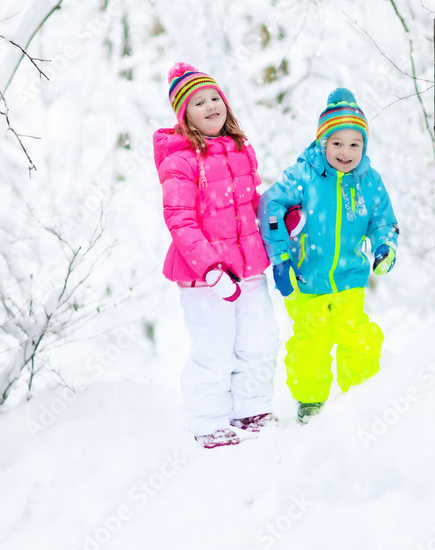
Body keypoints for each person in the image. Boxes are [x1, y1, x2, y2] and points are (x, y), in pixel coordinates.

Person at [153, 63, 279, 449]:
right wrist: (211, 268)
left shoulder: (241, 151)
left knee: (259, 341)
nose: (210, 106)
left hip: (249, 268)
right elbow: (180, 220)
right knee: (214, 348)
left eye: (214, 98)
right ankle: (207, 421)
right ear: (183, 116)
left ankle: (252, 409)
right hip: (205, 276)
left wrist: (281, 215)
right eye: (197, 102)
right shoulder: (181, 161)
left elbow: (251, 203)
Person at [258, 88, 399, 424]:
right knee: (312, 339)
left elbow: (384, 221)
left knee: (356, 334)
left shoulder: (369, 180)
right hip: (307, 279)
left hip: (350, 278)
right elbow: (270, 207)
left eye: (355, 144)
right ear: (322, 143)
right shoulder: (303, 176)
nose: (346, 152)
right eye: (337, 143)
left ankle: (361, 395)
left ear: (364, 146)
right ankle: (310, 401)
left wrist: (385, 246)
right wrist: (280, 258)